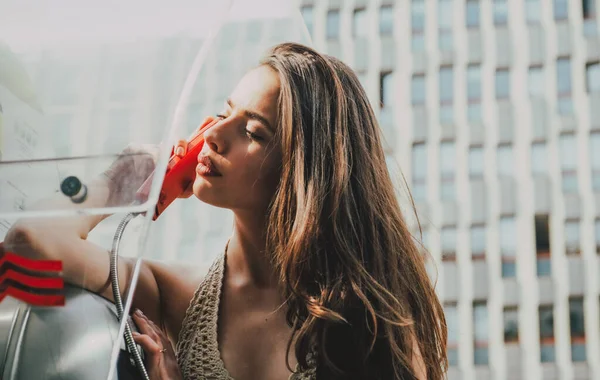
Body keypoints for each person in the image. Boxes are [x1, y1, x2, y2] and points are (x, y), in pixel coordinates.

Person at [4, 43, 447, 379]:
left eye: (253, 130)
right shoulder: (176, 294)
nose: (214, 134)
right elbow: (27, 245)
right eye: (222, 113)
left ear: (303, 169)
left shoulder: (373, 325)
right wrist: (116, 182)